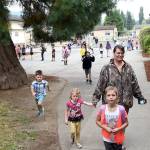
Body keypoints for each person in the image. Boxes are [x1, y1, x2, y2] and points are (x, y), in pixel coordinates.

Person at [92, 45, 147, 114]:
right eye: (118, 53)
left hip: (125, 103)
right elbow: (100, 85)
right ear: (114, 53)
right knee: (112, 124)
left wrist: (140, 96)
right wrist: (95, 100)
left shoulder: (128, 67)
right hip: (111, 104)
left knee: (123, 124)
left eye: (122, 53)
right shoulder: (107, 68)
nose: (120, 55)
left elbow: (134, 83)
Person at [96, 86, 128, 150]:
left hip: (118, 137)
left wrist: (118, 129)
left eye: (113, 95)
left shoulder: (121, 109)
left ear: (117, 98)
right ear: (105, 98)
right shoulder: (102, 108)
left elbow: (126, 123)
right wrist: (105, 127)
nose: (111, 97)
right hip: (106, 138)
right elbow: (97, 121)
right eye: (108, 95)